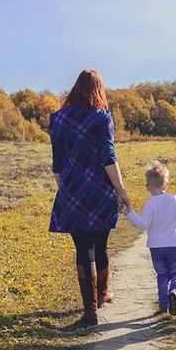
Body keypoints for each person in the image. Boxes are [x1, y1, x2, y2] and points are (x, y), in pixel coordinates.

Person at [49, 69, 132, 327]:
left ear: (75, 88)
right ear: (98, 90)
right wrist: (121, 190)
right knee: (101, 245)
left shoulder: (57, 119)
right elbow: (109, 156)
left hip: (73, 191)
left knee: (83, 249)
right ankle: (102, 294)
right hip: (100, 191)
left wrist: (64, 189)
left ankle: (90, 310)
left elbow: (57, 162)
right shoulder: (101, 117)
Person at [122, 161, 176, 316]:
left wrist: (128, 212)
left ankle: (164, 305)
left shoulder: (149, 204)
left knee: (162, 276)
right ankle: (175, 291)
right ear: (167, 185)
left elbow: (143, 225)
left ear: (148, 187)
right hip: (174, 246)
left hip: (156, 248)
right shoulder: (175, 200)